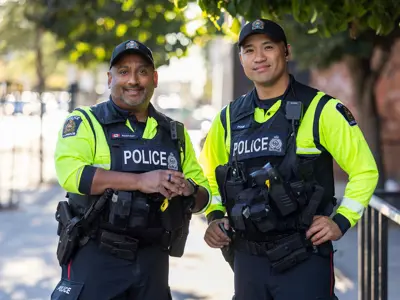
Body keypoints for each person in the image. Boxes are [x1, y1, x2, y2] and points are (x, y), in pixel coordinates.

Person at [200, 18, 379, 300]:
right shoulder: (228, 118)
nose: (259, 57)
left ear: (286, 51)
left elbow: (365, 171)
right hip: (248, 260)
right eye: (249, 50)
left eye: (268, 47)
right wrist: (215, 216)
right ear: (241, 58)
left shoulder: (322, 109)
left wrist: (341, 220)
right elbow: (208, 174)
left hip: (304, 257)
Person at [51, 39, 211, 300]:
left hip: (153, 260)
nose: (133, 80)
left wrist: (189, 190)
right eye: (124, 71)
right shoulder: (85, 122)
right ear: (109, 78)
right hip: (96, 254)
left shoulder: (174, 133)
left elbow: (202, 197)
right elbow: (72, 175)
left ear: (155, 78)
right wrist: (140, 181)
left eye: (143, 71)